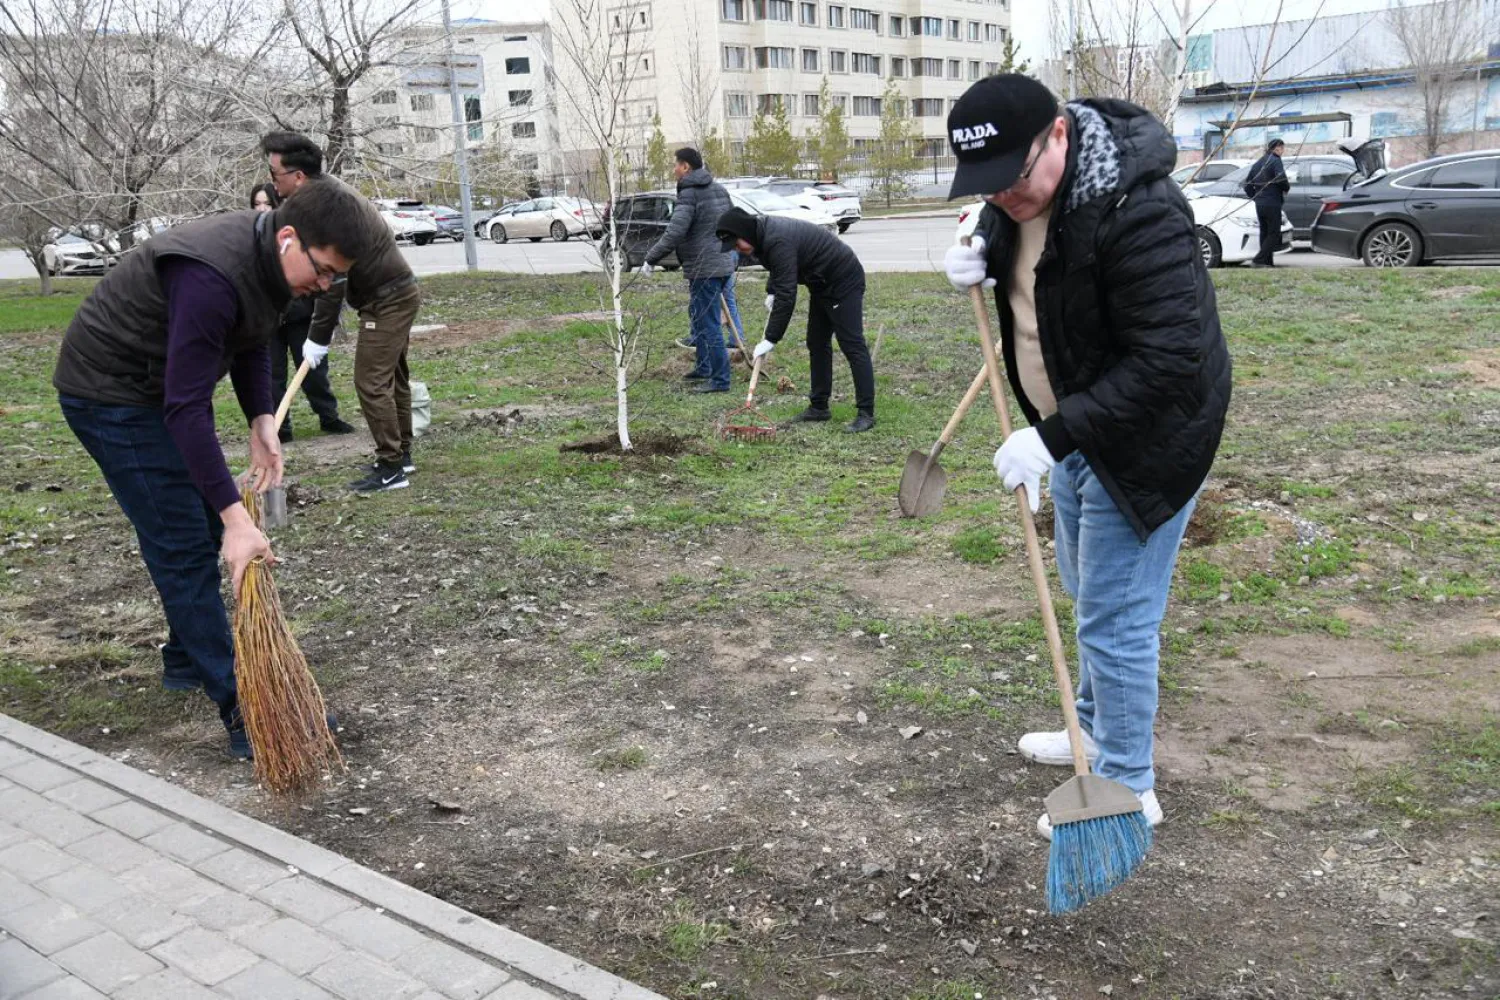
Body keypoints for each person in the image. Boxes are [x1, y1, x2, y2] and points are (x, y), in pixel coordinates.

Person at [940, 74, 1231, 839]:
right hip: (1068, 429)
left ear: (1059, 137)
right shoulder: (1019, 201)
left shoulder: (1141, 212)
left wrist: (1051, 437)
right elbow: (1032, 267)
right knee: (1087, 592)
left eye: (1013, 179)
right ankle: (1090, 727)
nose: (1004, 197)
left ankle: (1129, 783)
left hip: (1144, 442)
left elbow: (1172, 358)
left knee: (1119, 617)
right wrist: (980, 255)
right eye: (988, 187)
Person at [53, 180, 370, 756]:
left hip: (151, 390)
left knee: (192, 529)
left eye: (335, 279)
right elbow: (184, 407)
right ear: (289, 238)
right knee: (183, 542)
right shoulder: (210, 276)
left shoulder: (268, 263)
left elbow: (251, 341)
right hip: (109, 394)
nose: (324, 286)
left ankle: (183, 659)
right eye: (323, 271)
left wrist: (260, 420)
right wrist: (234, 518)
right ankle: (243, 707)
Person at [261, 131, 420, 493]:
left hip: (388, 298)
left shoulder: (327, 205)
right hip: (393, 293)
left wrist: (317, 339)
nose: (273, 184)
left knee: (371, 381)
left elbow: (331, 280)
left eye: (276, 176)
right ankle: (401, 456)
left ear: (297, 176)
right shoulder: (324, 194)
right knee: (392, 379)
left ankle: (392, 467)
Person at [714, 206, 876, 432]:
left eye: (736, 243)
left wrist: (771, 338)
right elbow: (780, 269)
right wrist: (772, 289)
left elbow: (788, 294)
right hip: (820, 282)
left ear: (745, 232)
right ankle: (819, 407)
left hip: (843, 280)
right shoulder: (761, 237)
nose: (738, 250)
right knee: (816, 342)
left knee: (852, 344)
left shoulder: (776, 238)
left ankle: (866, 413)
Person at [250, 184, 355, 443]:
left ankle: (328, 416)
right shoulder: (252, 237)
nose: (262, 208)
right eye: (257, 203)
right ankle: (280, 427)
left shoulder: (292, 234)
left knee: (312, 371)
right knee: (272, 375)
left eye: (266, 202)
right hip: (270, 320)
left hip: (300, 316)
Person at [638, 147, 738, 394]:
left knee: (710, 323)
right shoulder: (720, 190)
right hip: (723, 263)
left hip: (705, 267)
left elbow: (675, 231)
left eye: (676, 165)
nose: (674, 170)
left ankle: (720, 380)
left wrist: (651, 259)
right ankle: (703, 368)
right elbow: (735, 222)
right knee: (699, 316)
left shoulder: (690, 194)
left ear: (686, 167)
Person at [1244, 138, 1290, 267]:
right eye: (1282, 148)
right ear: (1277, 148)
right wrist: (1286, 188)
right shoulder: (1275, 160)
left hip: (1260, 204)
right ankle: (1258, 260)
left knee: (1264, 233)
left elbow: (1247, 185)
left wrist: (1256, 197)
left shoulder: (1258, 163)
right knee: (1274, 233)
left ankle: (1267, 263)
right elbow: (1280, 178)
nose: (1282, 151)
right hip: (1272, 202)